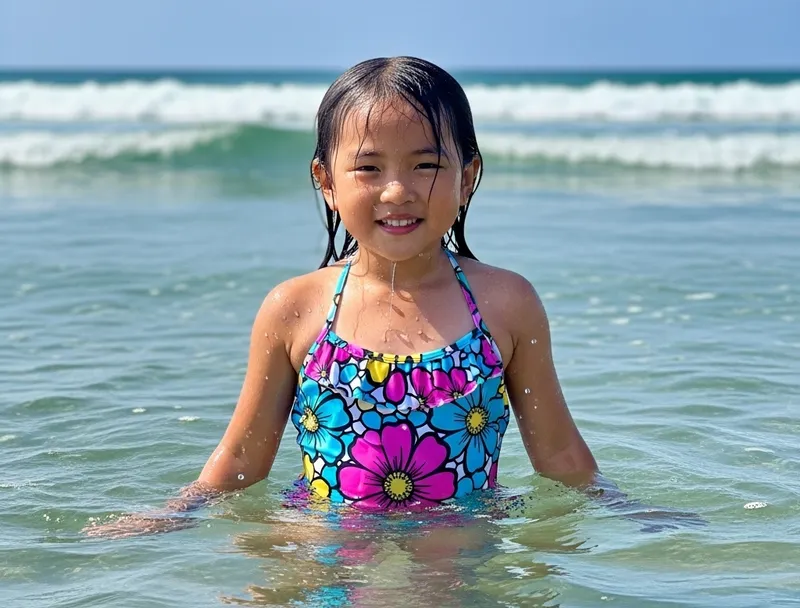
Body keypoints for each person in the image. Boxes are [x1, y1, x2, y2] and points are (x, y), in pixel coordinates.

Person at [86, 56, 699, 537]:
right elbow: (241, 460)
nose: (397, 190)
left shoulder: (506, 304)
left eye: (426, 165)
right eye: (369, 168)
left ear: (468, 178)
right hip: (323, 549)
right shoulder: (294, 308)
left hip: (459, 552)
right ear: (326, 181)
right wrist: (172, 514)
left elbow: (559, 453)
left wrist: (634, 515)